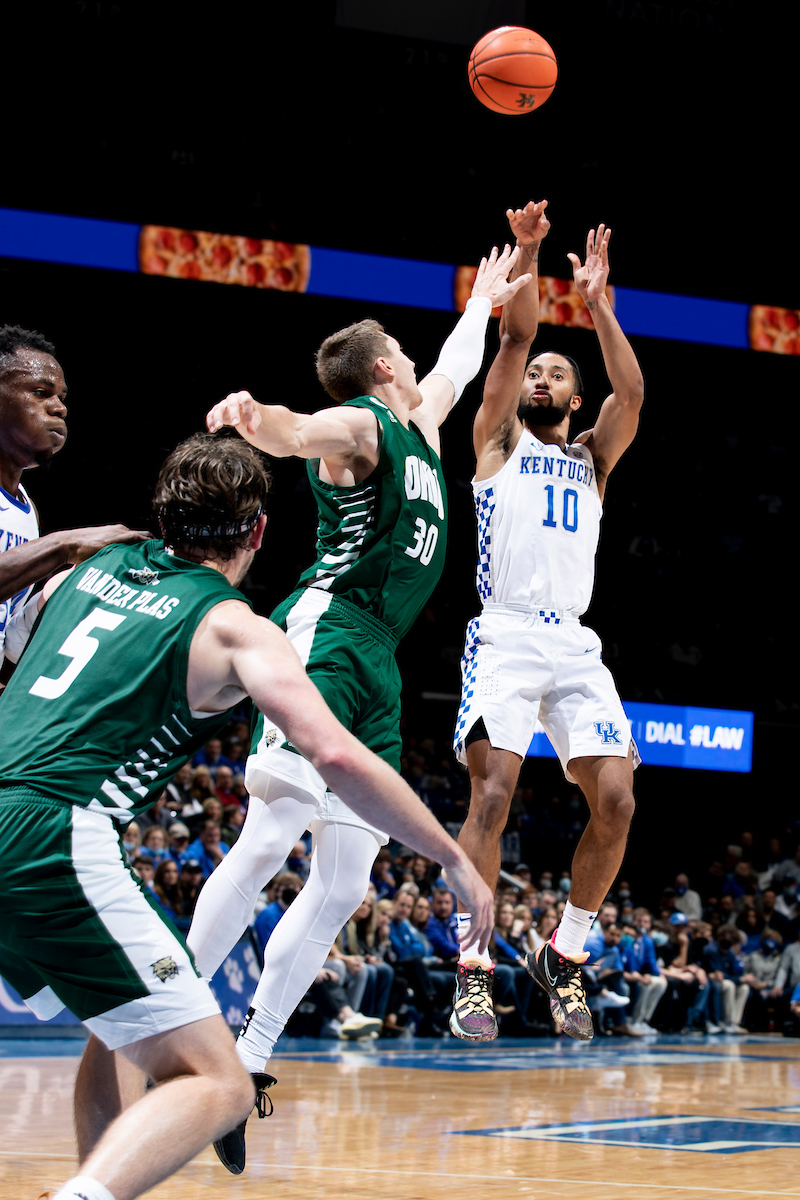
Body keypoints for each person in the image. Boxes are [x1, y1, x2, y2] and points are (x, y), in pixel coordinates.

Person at [0, 433, 493, 1200]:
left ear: (162, 514)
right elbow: (335, 755)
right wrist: (454, 858)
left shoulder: (78, 574)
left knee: (117, 1029)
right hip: (53, 833)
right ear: (258, 531)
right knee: (221, 1083)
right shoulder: (236, 628)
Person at [185, 233, 534, 1170]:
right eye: (404, 355)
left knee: (344, 881)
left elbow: (456, 364)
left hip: (380, 659)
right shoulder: (363, 425)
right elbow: (296, 430)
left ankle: (248, 1058)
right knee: (271, 833)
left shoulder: (421, 423)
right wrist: (252, 416)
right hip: (327, 633)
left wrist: (486, 299)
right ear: (384, 368)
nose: (419, 364)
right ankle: (166, 1016)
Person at [450, 217, 644, 1043]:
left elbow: (632, 395)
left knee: (618, 800)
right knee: (492, 795)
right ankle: (472, 968)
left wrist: (599, 306)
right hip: (505, 634)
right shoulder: (497, 443)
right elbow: (514, 336)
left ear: (574, 399)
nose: (540, 376)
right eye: (537, 372)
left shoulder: (593, 459)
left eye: (556, 374)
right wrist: (528, 255)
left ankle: (564, 955)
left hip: (573, 642)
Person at [0, 324, 147, 674]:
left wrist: (65, 589)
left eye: (61, 397)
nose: (59, 408)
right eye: (40, 392)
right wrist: (63, 546)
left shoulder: (26, 508)